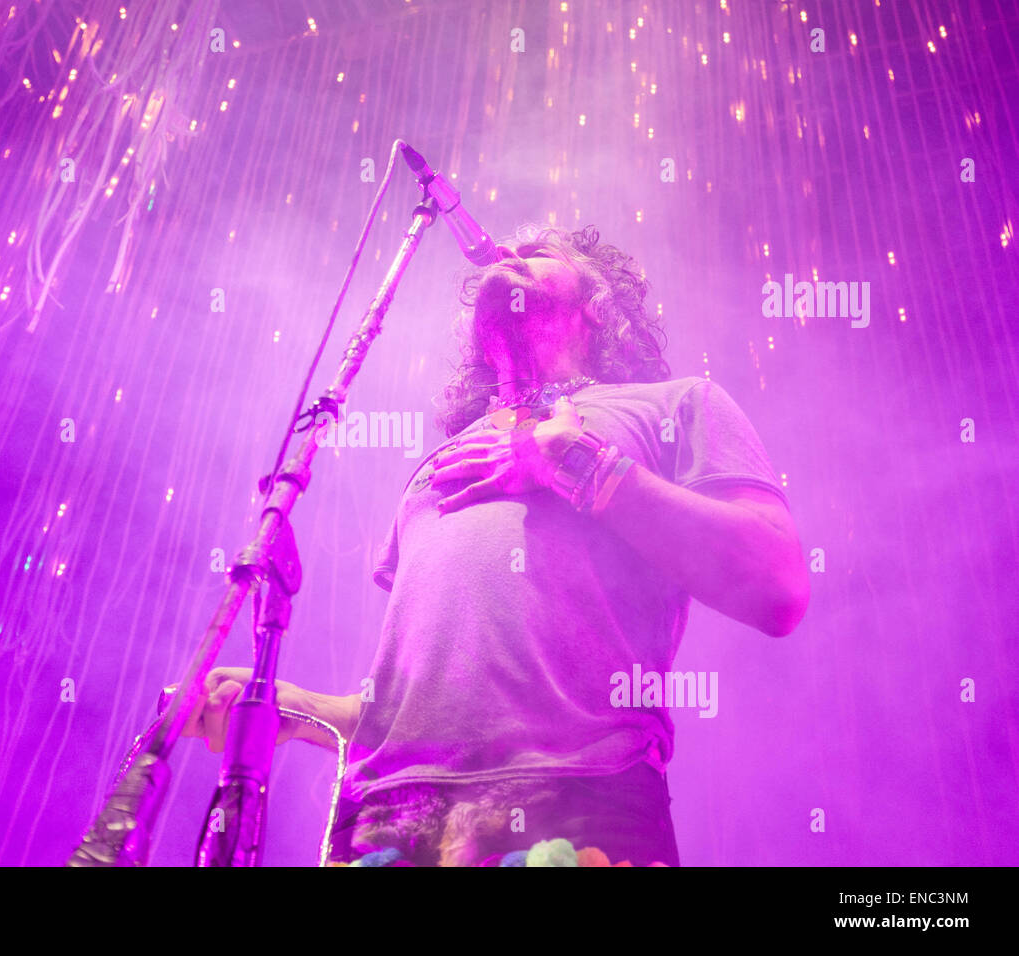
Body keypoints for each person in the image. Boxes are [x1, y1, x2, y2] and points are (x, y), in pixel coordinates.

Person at [185, 225, 809, 866]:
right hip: (383, 824)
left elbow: (779, 586)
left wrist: (577, 465)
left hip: (578, 802)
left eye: (538, 252)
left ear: (598, 306)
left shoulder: (675, 405)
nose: (506, 253)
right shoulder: (434, 468)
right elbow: (420, 702)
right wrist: (299, 708)